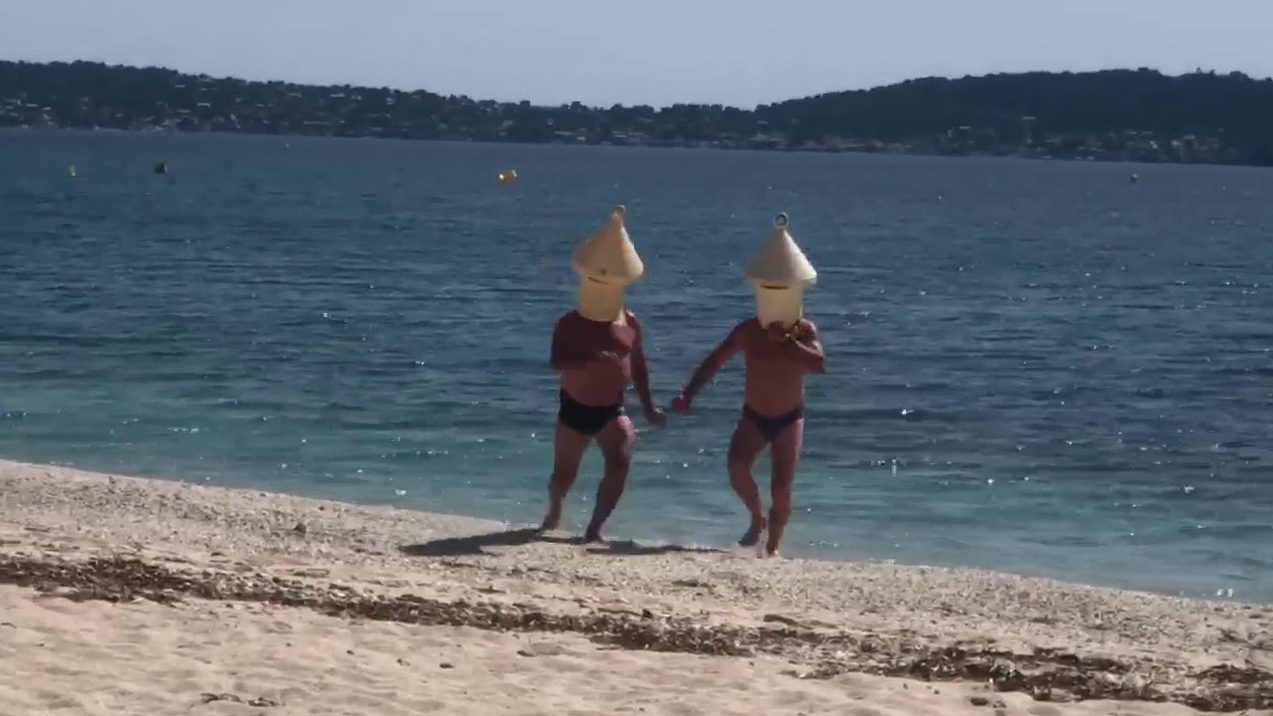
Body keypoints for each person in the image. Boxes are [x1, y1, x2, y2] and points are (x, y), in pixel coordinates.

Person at [671, 213, 823, 557]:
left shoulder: (805, 331)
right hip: (755, 414)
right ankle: (757, 518)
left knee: (781, 487)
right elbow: (716, 360)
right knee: (736, 467)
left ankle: (772, 548)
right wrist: (689, 393)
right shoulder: (748, 331)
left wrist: (788, 343)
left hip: (789, 418)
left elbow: (818, 365)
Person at [540, 207, 666, 543]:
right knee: (563, 476)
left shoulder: (630, 322)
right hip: (575, 407)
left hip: (612, 408)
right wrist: (588, 361)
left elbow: (638, 366)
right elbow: (556, 363)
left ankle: (594, 529)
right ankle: (555, 506)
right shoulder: (569, 324)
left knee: (621, 458)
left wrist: (650, 407)